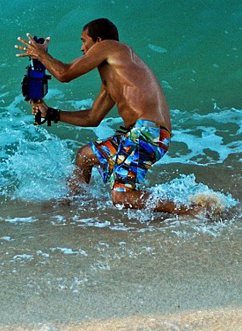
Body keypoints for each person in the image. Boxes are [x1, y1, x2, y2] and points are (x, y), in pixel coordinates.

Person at [15, 18, 195, 214]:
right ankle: (71, 203)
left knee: (121, 198)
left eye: (84, 41)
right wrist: (51, 113)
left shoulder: (111, 46)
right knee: (85, 156)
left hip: (148, 133)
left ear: (99, 41)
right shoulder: (113, 78)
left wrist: (41, 55)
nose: (82, 49)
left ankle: (192, 209)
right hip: (139, 135)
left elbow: (64, 73)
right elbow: (92, 118)